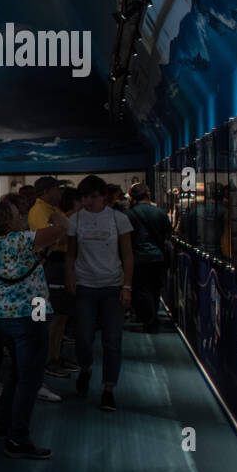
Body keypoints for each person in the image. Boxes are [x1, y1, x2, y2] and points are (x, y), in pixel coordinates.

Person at [0, 199, 68, 458]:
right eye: (17, 215)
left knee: (16, 374)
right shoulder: (20, 240)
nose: (21, 219)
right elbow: (61, 228)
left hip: (2, 315)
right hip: (31, 315)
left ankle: (2, 425)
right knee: (30, 379)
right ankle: (18, 438)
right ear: (9, 221)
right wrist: (55, 213)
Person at [65, 175, 134, 411]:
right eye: (84, 197)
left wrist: (127, 286)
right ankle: (85, 368)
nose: (88, 201)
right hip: (85, 284)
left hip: (112, 285)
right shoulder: (75, 220)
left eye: (93, 196)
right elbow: (71, 253)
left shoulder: (119, 219)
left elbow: (127, 255)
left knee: (112, 340)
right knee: (84, 337)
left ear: (103, 196)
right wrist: (70, 277)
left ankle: (108, 388)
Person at [28, 177, 77, 388]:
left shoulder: (53, 211)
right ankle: (46, 360)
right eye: (57, 188)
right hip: (49, 265)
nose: (61, 192)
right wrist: (64, 228)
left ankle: (55, 355)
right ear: (47, 191)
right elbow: (52, 238)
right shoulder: (41, 211)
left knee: (61, 314)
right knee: (50, 316)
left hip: (58, 265)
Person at [126, 183, 171, 333]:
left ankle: (149, 319)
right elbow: (167, 234)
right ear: (148, 195)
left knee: (141, 289)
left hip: (138, 258)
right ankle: (152, 317)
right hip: (158, 257)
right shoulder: (160, 212)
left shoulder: (129, 215)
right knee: (155, 288)